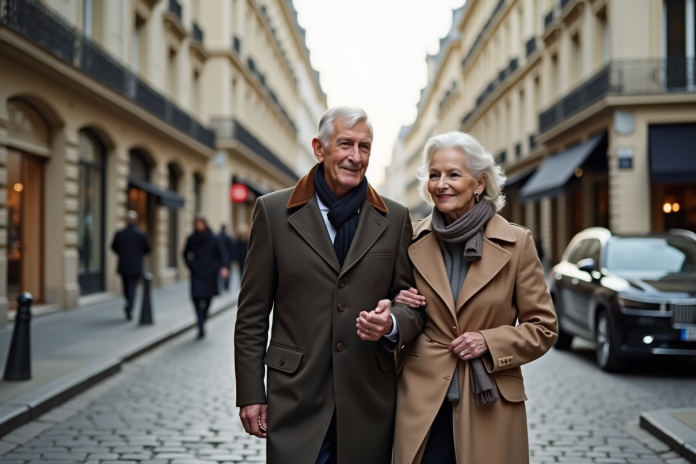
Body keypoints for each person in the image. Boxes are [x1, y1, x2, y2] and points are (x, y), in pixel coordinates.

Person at [234, 106, 426, 464]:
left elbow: (412, 306)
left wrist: (393, 321)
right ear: (319, 149)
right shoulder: (274, 212)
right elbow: (252, 313)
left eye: (365, 147)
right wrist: (250, 392)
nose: (356, 157)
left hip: (368, 395)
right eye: (345, 144)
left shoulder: (395, 218)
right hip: (296, 395)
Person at [391, 132, 558, 464]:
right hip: (423, 402)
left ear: (479, 183)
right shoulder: (410, 239)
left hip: (490, 402)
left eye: (453, 174)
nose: (442, 184)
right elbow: (399, 308)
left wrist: (489, 341)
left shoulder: (517, 243)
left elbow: (543, 328)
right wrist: (397, 303)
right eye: (435, 175)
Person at [183, 214, 229, 339]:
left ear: (205, 223)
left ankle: (202, 320)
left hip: (210, 273)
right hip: (197, 273)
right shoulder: (191, 238)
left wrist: (223, 267)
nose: (199, 225)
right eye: (197, 223)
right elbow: (185, 254)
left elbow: (222, 254)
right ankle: (201, 325)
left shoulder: (214, 238)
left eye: (201, 223)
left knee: (208, 299)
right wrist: (191, 266)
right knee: (196, 299)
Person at [110, 210, 151, 320]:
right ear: (136, 220)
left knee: (126, 287)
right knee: (133, 286)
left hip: (123, 264)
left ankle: (128, 303)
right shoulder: (142, 234)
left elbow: (113, 247)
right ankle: (130, 305)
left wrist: (123, 253)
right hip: (136, 265)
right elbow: (148, 249)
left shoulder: (120, 234)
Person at [218, 224, 236, 291]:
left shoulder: (218, 236)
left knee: (219, 272)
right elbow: (232, 248)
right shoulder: (228, 237)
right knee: (227, 272)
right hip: (227, 258)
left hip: (219, 258)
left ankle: (220, 286)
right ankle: (226, 286)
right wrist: (232, 258)